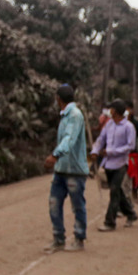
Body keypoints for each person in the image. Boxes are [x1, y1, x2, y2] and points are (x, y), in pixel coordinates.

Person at [43, 83, 90, 253]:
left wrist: (55, 155)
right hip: (61, 169)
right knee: (54, 203)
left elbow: (69, 139)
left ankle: (79, 238)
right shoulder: (65, 115)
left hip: (74, 170)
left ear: (58, 99)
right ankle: (58, 238)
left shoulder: (74, 115)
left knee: (77, 205)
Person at [90, 98, 138, 232]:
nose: (109, 111)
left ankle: (109, 222)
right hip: (108, 164)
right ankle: (131, 213)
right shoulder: (109, 124)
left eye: (111, 108)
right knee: (118, 192)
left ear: (115, 111)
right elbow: (101, 139)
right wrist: (94, 151)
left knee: (114, 191)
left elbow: (130, 146)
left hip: (120, 164)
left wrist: (111, 152)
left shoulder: (128, 127)